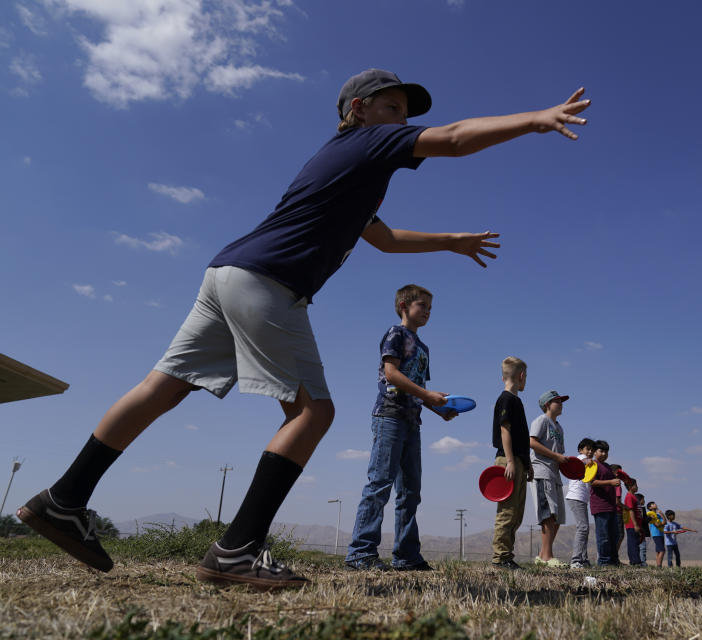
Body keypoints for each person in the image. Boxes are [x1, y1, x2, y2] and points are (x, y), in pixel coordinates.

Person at [17, 68, 591, 589]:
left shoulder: (348, 169)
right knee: (314, 412)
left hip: (227, 273)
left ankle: (63, 500)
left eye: (405, 111)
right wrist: (534, 120)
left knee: (163, 386)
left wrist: (451, 242)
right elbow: (457, 137)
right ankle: (237, 548)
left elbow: (383, 239)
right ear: (358, 109)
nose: (404, 119)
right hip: (269, 282)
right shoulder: (369, 142)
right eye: (393, 107)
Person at [344, 284, 452, 571]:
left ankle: (406, 556)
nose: (428, 312)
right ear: (404, 306)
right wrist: (427, 396)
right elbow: (391, 374)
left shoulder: (424, 348)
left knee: (410, 491)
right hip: (389, 417)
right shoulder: (396, 334)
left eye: (430, 308)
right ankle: (360, 553)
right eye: (422, 306)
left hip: (411, 421)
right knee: (380, 483)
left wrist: (437, 408)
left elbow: (418, 388)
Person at [491, 357, 532, 570]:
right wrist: (509, 461)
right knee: (507, 511)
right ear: (522, 376)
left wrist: (527, 464)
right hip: (508, 461)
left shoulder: (516, 401)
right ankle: (500, 557)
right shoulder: (506, 399)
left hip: (519, 461)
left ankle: (507, 555)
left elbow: (521, 437)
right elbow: (504, 429)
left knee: (517, 512)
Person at [529, 390, 570, 568]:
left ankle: (542, 556)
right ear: (547, 405)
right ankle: (547, 557)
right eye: (557, 401)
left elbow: (560, 454)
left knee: (558, 516)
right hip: (541, 471)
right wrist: (555, 456)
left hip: (555, 474)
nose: (561, 403)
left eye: (561, 401)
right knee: (548, 514)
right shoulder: (541, 420)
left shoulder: (559, 427)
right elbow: (531, 442)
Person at [564, 437, 596, 569]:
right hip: (575, 497)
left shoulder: (589, 464)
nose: (590, 452)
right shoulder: (580, 459)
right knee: (582, 528)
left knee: (585, 529)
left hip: (582, 499)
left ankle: (583, 559)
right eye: (587, 449)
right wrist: (588, 460)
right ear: (580, 450)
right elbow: (582, 461)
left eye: (592, 450)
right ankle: (576, 560)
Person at [588, 440, 621, 567]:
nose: (604, 454)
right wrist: (611, 482)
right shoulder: (592, 465)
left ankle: (613, 560)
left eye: (606, 451)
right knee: (604, 536)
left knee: (614, 535)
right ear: (595, 452)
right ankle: (604, 562)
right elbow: (592, 482)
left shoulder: (607, 466)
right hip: (600, 505)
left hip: (611, 505)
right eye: (601, 451)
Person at [623, 481, 647, 567]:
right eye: (635, 485)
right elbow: (631, 510)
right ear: (630, 486)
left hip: (637, 524)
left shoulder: (634, 497)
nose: (637, 487)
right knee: (632, 543)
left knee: (636, 543)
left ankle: (636, 560)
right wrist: (635, 524)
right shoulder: (629, 497)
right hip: (632, 525)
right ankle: (635, 561)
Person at [647, 501, 667, 568]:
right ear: (650, 507)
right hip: (656, 534)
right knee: (662, 550)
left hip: (661, 534)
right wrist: (661, 523)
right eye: (653, 504)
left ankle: (658, 565)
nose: (655, 504)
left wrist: (661, 514)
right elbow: (657, 525)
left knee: (658, 551)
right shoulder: (650, 514)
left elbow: (665, 522)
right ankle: (659, 566)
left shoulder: (658, 515)